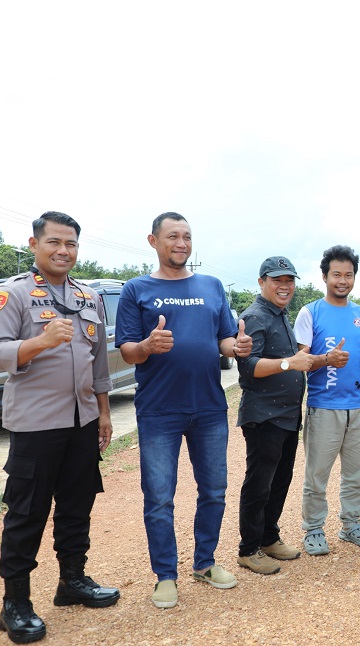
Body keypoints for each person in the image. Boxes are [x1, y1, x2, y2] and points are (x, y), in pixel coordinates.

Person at [0, 211, 119, 644]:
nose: (63, 251)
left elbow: (98, 364)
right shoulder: (13, 296)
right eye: (55, 243)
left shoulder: (87, 297)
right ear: (34, 244)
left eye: (71, 244)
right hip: (36, 426)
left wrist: (105, 413)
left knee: (77, 506)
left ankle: (72, 581)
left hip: (82, 421)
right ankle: (15, 604)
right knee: (27, 513)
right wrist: (40, 342)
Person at [116, 212, 252, 609]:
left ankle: (205, 563)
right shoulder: (136, 289)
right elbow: (126, 349)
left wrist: (236, 348)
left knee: (214, 490)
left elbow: (225, 338)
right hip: (159, 410)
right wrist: (146, 347)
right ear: (153, 241)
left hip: (209, 407)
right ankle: (165, 575)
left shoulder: (211, 286)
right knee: (159, 497)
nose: (181, 243)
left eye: (187, 236)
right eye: (172, 236)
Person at [294, 245, 360, 555]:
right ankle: (314, 528)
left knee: (357, 474)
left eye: (348, 275)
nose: (342, 281)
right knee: (317, 474)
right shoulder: (310, 312)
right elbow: (300, 360)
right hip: (324, 407)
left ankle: (351, 524)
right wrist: (326, 360)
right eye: (336, 275)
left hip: (359, 407)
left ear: (354, 278)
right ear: (324, 277)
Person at [234, 257, 313, 575]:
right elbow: (249, 367)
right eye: (277, 280)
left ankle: (269, 537)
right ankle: (248, 548)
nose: (285, 286)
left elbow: (296, 359)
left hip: (287, 416)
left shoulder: (280, 315)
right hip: (264, 416)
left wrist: (321, 359)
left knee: (280, 480)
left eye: (290, 280)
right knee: (259, 483)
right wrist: (288, 364)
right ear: (261, 282)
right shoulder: (254, 317)